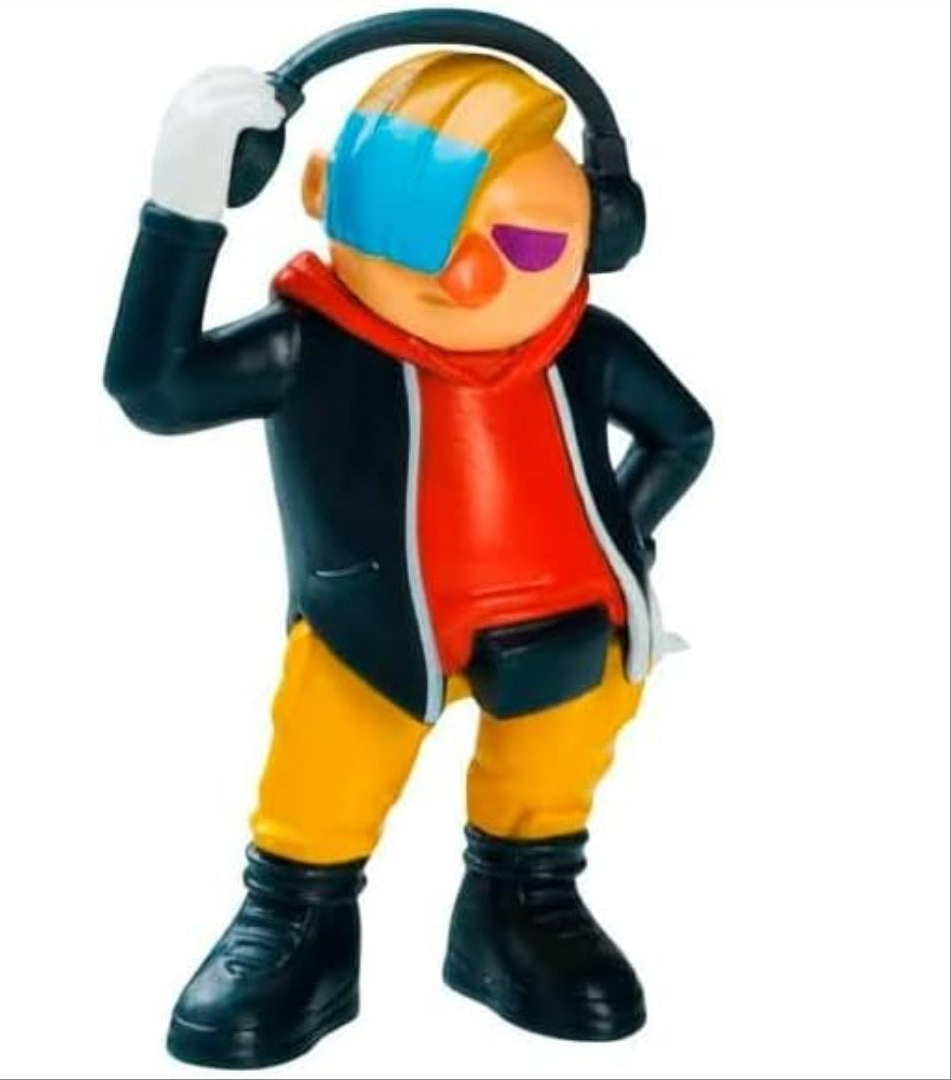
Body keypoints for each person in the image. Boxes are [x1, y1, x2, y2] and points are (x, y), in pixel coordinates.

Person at [106, 52, 713, 1069]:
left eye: (522, 242)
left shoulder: (584, 344)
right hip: (372, 634)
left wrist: (621, 539)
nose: (466, 278)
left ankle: (523, 905)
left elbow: (682, 435)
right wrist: (183, 206)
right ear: (323, 200)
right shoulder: (314, 346)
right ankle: (298, 919)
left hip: (572, 634)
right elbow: (156, 389)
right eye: (415, 240)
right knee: (325, 781)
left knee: (550, 778)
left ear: (603, 232)